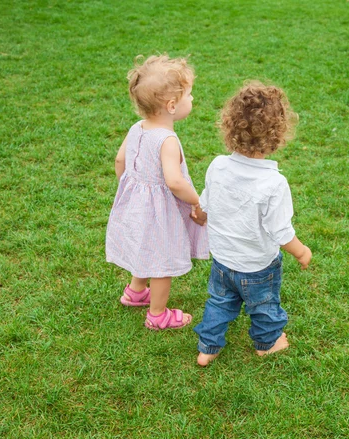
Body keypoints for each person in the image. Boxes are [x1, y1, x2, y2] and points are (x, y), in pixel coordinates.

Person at [192, 81, 312, 366]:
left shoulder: (218, 166)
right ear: (278, 134)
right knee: (264, 306)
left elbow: (206, 203)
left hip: (222, 261)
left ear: (230, 126)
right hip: (258, 267)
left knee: (219, 304)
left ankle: (207, 348)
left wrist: (200, 216)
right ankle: (267, 343)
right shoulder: (274, 183)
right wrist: (301, 251)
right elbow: (280, 230)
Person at [106, 54, 208, 330]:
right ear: (172, 105)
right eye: (190, 95)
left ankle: (136, 292)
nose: (193, 99)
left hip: (137, 205)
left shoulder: (136, 128)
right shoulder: (167, 140)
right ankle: (158, 314)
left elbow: (119, 161)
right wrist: (197, 200)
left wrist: (130, 190)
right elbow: (174, 182)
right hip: (159, 211)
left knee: (144, 247)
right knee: (161, 259)